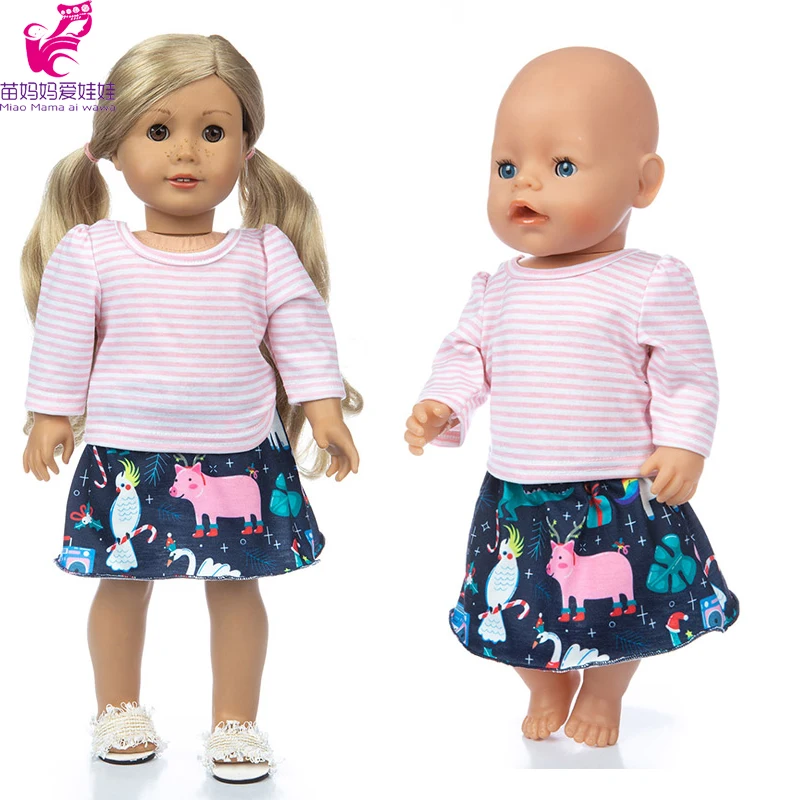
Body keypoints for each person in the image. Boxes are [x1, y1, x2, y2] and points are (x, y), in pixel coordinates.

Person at [21, 33, 361, 784]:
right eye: (158, 129)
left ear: (245, 148)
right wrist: (50, 414)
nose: (186, 151)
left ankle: (236, 722)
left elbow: (301, 331)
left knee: (236, 589)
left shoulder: (263, 252)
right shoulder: (93, 251)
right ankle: (117, 709)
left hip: (239, 450)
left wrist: (324, 409)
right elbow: (64, 338)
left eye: (212, 131)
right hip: (126, 451)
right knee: (121, 585)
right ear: (114, 148)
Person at [404, 46, 738, 748]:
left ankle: (605, 690)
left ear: (643, 182)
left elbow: (686, 372)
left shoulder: (650, 280)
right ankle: (545, 681)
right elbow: (467, 356)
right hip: (517, 489)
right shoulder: (497, 286)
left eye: (562, 166)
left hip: (617, 487)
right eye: (506, 167)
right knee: (515, 603)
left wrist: (684, 443)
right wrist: (445, 404)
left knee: (624, 607)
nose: (525, 181)